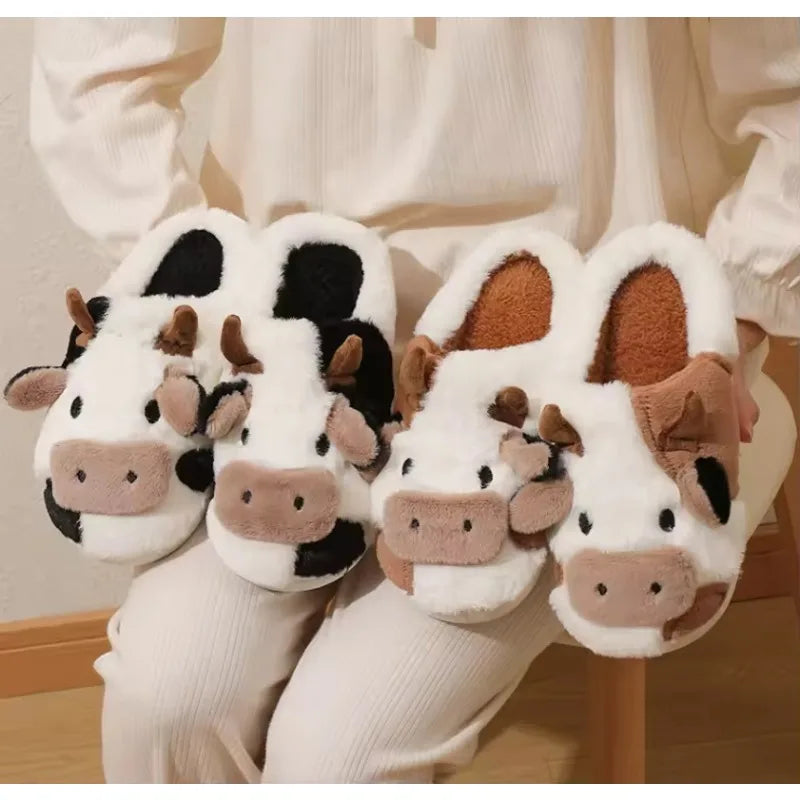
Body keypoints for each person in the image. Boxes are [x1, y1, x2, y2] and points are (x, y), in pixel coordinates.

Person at [30, 18, 799, 783]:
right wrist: (191, 281)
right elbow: (95, 68)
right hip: (293, 350)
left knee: (336, 758)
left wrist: (732, 308)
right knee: (168, 702)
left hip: (573, 366)